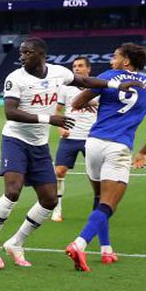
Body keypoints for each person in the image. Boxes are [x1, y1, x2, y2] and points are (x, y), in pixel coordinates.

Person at [0, 37, 143, 270]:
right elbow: (10, 112)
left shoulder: (58, 72)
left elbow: (84, 80)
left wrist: (116, 86)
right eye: (21, 52)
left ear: (41, 54)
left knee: (49, 199)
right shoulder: (15, 78)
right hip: (15, 139)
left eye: (27, 52)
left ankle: (16, 242)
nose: (22, 56)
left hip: (40, 144)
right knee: (13, 190)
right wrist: (51, 119)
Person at [65, 44, 146, 272]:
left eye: (115, 56)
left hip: (93, 143)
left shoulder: (108, 77)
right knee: (109, 203)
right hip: (118, 148)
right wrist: (143, 152)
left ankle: (106, 249)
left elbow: (77, 103)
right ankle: (79, 244)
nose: (111, 60)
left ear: (126, 61)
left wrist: (95, 104)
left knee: (100, 197)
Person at [52, 57, 96, 222]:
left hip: (92, 138)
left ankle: (99, 210)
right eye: (74, 66)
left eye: (80, 66)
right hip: (70, 137)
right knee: (59, 171)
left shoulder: (97, 86)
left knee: (95, 175)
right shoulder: (65, 88)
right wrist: (60, 127)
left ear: (88, 69)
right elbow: (57, 110)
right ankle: (57, 209)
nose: (76, 69)